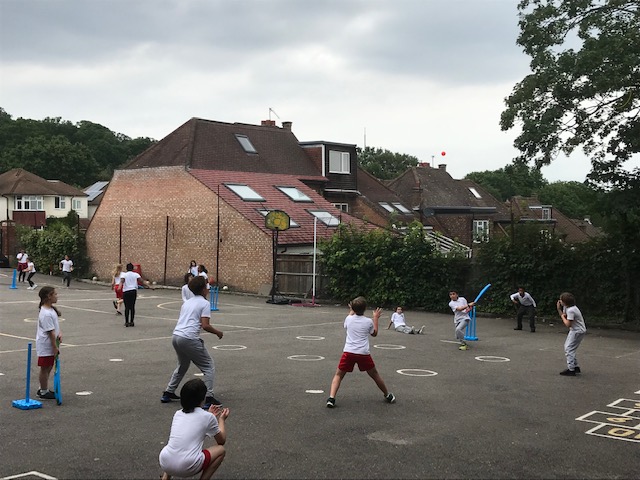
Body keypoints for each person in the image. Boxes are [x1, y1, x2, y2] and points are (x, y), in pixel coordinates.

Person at [161, 275, 223, 408]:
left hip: (176, 336)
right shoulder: (204, 303)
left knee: (182, 365)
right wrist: (218, 332)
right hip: (189, 337)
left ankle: (168, 391)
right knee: (208, 366)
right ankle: (209, 397)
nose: (208, 288)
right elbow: (205, 325)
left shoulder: (187, 302)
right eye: (207, 286)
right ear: (203, 289)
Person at [326, 296, 396, 408]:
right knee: (374, 374)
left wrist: (352, 309)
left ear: (352, 308)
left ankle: (331, 398)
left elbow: (348, 320)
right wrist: (376, 318)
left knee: (338, 375)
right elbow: (374, 333)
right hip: (363, 353)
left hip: (349, 352)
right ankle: (387, 394)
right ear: (365, 308)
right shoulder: (368, 321)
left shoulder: (348, 319)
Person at [159, 378, 229, 480]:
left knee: (176, 447)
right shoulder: (207, 417)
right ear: (202, 398)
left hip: (165, 461)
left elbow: (195, 422)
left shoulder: (178, 414)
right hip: (187, 465)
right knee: (221, 450)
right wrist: (221, 420)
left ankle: (165, 478)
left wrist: (210, 417)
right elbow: (221, 441)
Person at [35, 286, 61, 400]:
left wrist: (59, 333)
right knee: (44, 368)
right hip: (46, 344)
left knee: (49, 366)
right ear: (48, 297)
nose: (57, 296)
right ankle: (43, 391)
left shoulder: (50, 310)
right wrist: (54, 347)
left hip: (51, 343)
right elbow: (50, 332)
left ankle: (43, 387)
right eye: (54, 294)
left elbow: (54, 327)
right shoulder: (45, 313)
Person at [556, 292, 587, 376]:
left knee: (569, 349)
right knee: (569, 348)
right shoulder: (568, 307)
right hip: (575, 330)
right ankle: (575, 366)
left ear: (565, 302)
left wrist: (562, 316)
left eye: (561, 300)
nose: (560, 301)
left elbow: (568, 324)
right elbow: (564, 315)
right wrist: (559, 309)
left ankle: (571, 369)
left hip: (577, 331)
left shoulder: (571, 310)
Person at [119, 262, 151, 327]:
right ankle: (132, 322)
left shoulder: (124, 275)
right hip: (133, 291)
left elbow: (122, 281)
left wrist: (119, 287)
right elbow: (142, 281)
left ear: (126, 268)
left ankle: (126, 322)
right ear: (133, 268)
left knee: (127, 307)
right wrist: (149, 286)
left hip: (126, 291)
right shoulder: (136, 274)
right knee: (132, 307)